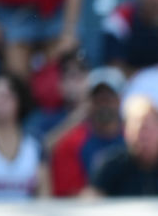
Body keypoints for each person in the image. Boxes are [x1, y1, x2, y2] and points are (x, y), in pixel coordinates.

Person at [85, 95, 158, 197]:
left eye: (149, 129)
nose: (144, 136)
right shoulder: (109, 165)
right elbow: (93, 203)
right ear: (126, 131)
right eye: (140, 130)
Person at [50, 67, 126, 196]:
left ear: (119, 100)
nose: (103, 105)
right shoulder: (71, 144)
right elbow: (66, 196)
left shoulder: (135, 139)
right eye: (98, 99)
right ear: (89, 102)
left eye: (108, 99)